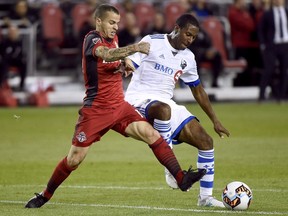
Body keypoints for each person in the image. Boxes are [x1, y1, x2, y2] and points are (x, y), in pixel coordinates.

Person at [24, 4, 206, 209]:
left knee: (152, 134)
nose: (115, 27)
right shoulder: (92, 39)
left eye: (117, 23)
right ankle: (44, 195)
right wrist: (134, 48)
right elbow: (106, 55)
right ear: (98, 21)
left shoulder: (114, 40)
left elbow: (112, 62)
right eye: (112, 22)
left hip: (119, 107)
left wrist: (125, 65)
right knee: (74, 159)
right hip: (97, 110)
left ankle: (181, 178)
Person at [124, 13, 230, 208]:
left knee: (206, 141)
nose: (190, 40)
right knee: (163, 110)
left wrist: (215, 120)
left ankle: (205, 199)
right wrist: (127, 66)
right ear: (177, 28)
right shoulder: (152, 41)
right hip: (138, 98)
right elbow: (131, 62)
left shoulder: (188, 58)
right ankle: (171, 169)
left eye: (194, 37)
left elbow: (198, 90)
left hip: (166, 102)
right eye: (188, 34)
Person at [258, 0, 288, 102]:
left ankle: (281, 96)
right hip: (272, 45)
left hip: (285, 44)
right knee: (268, 70)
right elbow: (261, 29)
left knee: (284, 71)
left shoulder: (286, 12)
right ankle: (261, 95)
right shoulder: (267, 14)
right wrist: (263, 44)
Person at [0, 24, 27, 91]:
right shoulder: (4, 42)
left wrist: (22, 58)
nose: (12, 33)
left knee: (23, 63)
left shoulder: (19, 42)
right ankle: (1, 84)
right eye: (11, 32)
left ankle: (22, 85)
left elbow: (21, 54)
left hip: (16, 60)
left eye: (13, 32)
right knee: (4, 64)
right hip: (6, 61)